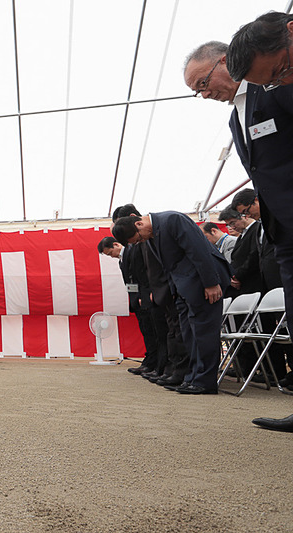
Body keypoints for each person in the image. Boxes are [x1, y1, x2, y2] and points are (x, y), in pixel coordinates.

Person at [225, 12, 293, 431]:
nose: (282, 79)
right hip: (283, 228)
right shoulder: (246, 107)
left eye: (280, 70)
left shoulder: (280, 89)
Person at [112, 212, 231, 394]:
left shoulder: (173, 220)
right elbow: (168, 266)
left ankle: (205, 381)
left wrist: (211, 282)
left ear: (139, 224)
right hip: (184, 289)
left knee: (204, 333)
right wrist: (174, 292)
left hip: (203, 283)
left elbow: (198, 250)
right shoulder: (152, 235)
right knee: (189, 334)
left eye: (138, 238)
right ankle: (192, 377)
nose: (140, 242)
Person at [231, 187, 292, 385]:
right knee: (280, 330)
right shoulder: (260, 226)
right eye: (244, 213)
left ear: (257, 200)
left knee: (287, 328)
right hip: (267, 284)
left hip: (282, 281)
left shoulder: (279, 216)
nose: (247, 215)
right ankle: (283, 372)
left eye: (247, 210)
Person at [97, 236, 159, 375]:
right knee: (146, 331)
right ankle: (150, 360)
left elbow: (142, 277)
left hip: (143, 298)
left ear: (116, 244)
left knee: (152, 331)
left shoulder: (133, 251)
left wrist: (144, 295)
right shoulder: (122, 258)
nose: (111, 257)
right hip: (136, 299)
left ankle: (155, 363)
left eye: (110, 253)